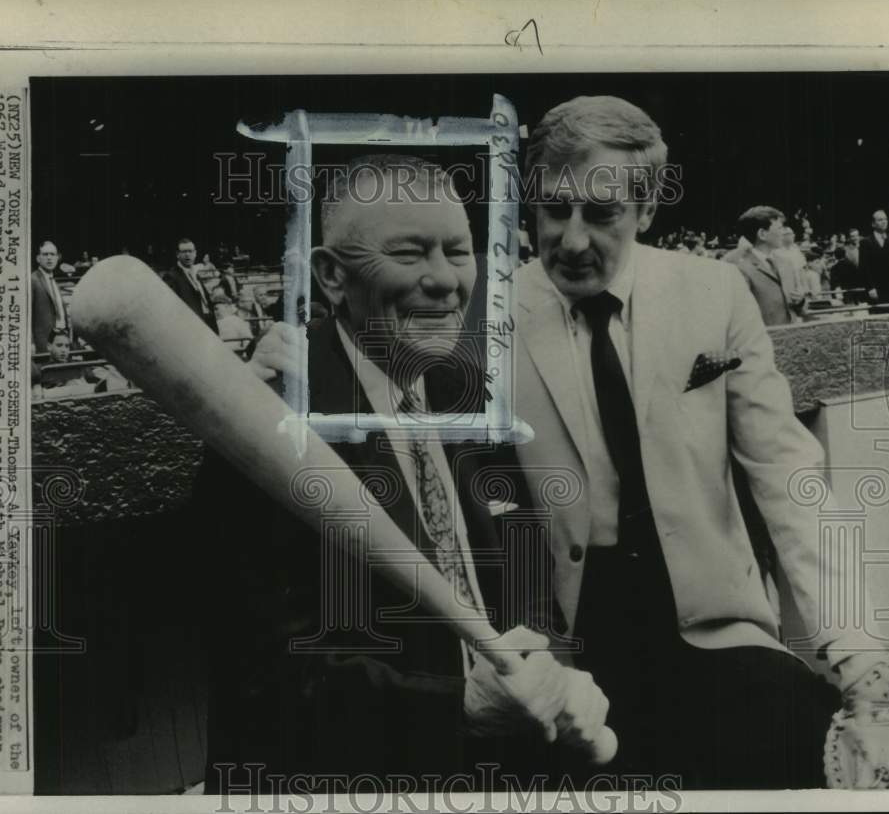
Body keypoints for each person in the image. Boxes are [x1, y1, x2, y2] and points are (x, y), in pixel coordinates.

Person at [508, 94, 889, 788]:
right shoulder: (490, 315)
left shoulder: (714, 293)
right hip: (568, 644)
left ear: (647, 210)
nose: (571, 239)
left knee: (822, 760)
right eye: (553, 208)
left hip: (714, 622)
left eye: (601, 214)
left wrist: (856, 648)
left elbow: (786, 470)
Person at [202, 154, 611, 794]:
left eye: (458, 251)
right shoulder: (266, 422)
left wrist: (556, 679)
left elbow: (531, 581)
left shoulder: (465, 389)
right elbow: (270, 680)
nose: (445, 281)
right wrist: (459, 708)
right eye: (410, 253)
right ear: (332, 276)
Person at [723, 207, 803, 326]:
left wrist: (800, 301)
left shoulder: (786, 262)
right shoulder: (739, 266)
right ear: (762, 234)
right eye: (780, 228)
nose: (784, 233)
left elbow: (798, 306)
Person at [164, 237, 217, 331]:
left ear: (195, 253)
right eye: (184, 251)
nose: (187, 254)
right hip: (192, 326)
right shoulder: (171, 276)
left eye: (190, 251)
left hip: (208, 322)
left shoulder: (197, 273)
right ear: (178, 254)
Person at [31, 240, 70, 352]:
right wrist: (31, 343)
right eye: (45, 254)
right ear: (38, 258)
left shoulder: (54, 282)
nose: (49, 258)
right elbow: (26, 316)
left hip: (60, 343)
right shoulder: (33, 280)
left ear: (58, 258)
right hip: (42, 344)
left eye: (52, 254)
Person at [859, 209, 889, 302]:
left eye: (885, 219)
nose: (884, 222)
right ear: (873, 224)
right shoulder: (866, 242)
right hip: (875, 290)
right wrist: (870, 288)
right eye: (880, 220)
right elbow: (864, 267)